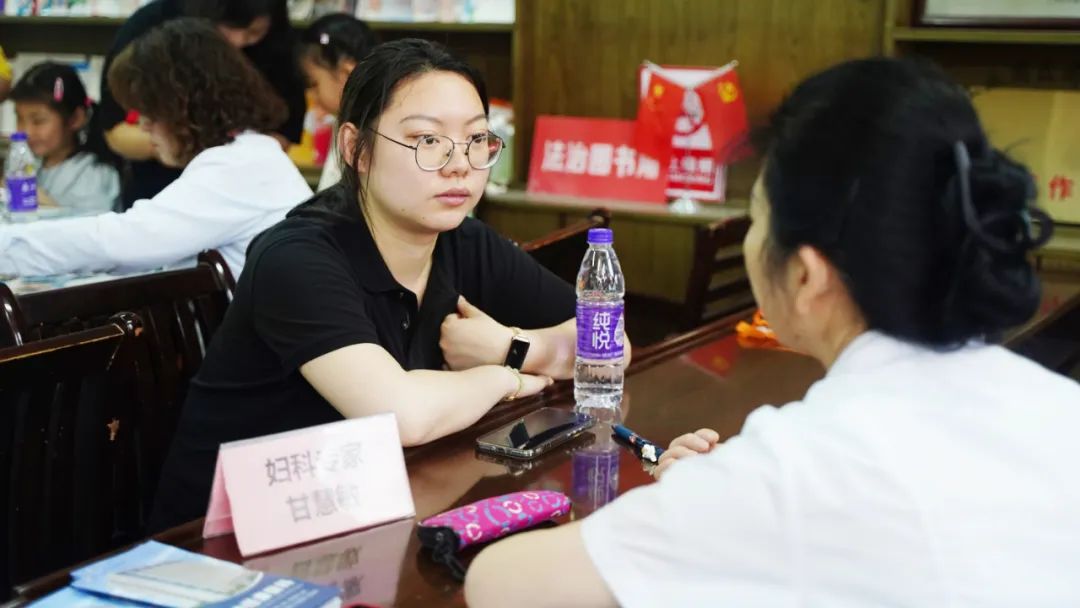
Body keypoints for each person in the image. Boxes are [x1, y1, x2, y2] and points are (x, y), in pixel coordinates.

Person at [465, 57, 1080, 607]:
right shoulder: (1060, 407)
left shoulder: (796, 470)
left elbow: (500, 584)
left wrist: (705, 502)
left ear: (807, 274)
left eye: (756, 218)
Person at [150, 38, 624, 531]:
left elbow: (613, 345)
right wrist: (508, 377)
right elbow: (404, 415)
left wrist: (512, 347)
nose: (459, 163)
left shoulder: (462, 238)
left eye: (476, 138)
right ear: (355, 148)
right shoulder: (296, 258)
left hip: (371, 509)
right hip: (225, 539)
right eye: (427, 140)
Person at [0, 19, 312, 280]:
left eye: (148, 111)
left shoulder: (236, 168)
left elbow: (121, 243)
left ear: (183, 106)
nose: (143, 126)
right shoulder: (249, 155)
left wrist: (7, 247)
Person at [98, 0, 306, 207]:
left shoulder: (279, 49)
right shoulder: (152, 25)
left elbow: (284, 129)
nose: (238, 41)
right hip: (156, 182)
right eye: (228, 27)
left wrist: (208, 155)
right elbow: (115, 130)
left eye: (254, 32)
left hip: (241, 185)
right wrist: (180, 145)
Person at [11, 62, 123, 214]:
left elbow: (93, 225)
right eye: (19, 118)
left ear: (75, 119)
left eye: (38, 121)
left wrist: (42, 203)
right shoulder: (33, 163)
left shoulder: (95, 174)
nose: (26, 131)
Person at [298, 13, 378, 191]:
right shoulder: (343, 120)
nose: (310, 94)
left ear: (346, 73)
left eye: (314, 83)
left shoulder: (367, 129)